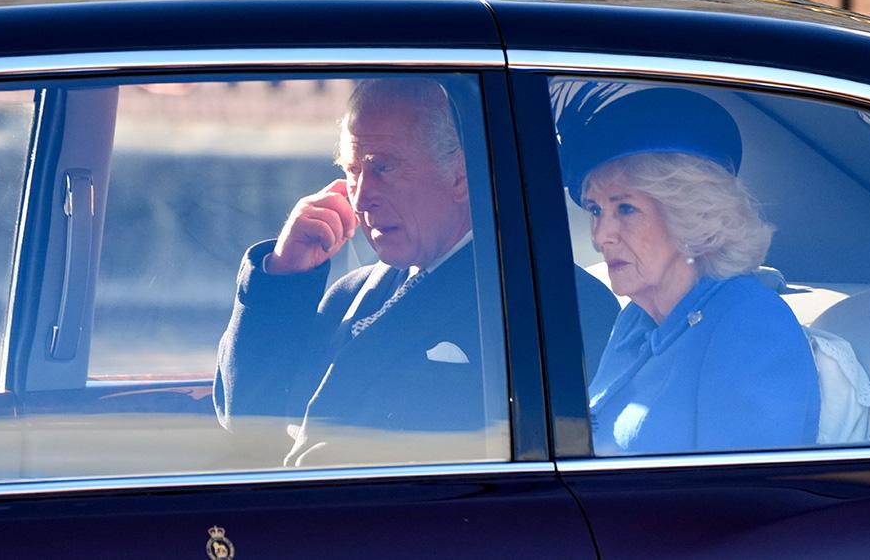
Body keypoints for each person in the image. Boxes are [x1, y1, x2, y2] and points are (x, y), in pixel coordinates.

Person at [215, 76, 618, 467]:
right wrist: (285, 274)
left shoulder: (554, 301)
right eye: (352, 171)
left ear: (461, 176)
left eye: (383, 168)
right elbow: (248, 423)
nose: (361, 196)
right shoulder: (348, 294)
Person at [559, 87, 821, 456]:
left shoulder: (751, 326)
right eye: (595, 210)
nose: (601, 236)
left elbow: (748, 498)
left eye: (626, 210)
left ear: (692, 216)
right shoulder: (637, 318)